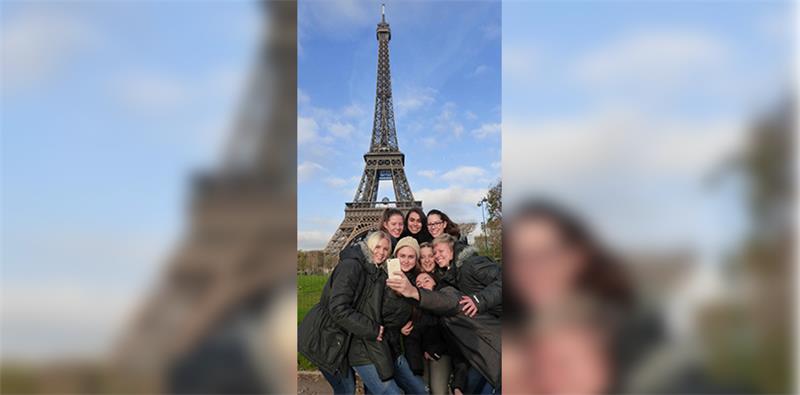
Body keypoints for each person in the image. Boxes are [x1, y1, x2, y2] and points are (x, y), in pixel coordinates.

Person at [388, 233, 502, 393]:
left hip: (492, 342)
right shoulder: (454, 276)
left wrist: (479, 300)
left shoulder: (465, 270)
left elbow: (451, 302)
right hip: (480, 350)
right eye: (435, 254)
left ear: (453, 249)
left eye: (440, 251)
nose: (436, 256)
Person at [298, 231, 401, 394]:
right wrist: (372, 329)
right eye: (378, 247)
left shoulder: (373, 271)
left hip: (342, 337)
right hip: (327, 336)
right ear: (369, 246)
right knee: (346, 388)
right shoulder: (352, 265)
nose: (381, 252)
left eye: (386, 249)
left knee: (346, 389)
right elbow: (338, 308)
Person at [381, 236, 428, 395]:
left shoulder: (418, 281)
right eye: (402, 256)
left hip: (395, 347)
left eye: (411, 256)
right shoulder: (381, 278)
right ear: (395, 256)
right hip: (377, 345)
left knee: (420, 390)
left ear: (416, 259)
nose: (406, 261)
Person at [403, 272, 451, 395]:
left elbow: (452, 334)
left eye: (426, 281)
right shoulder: (415, 307)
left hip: (441, 351)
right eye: (419, 284)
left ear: (435, 282)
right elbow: (412, 338)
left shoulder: (445, 300)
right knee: (422, 389)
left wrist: (435, 350)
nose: (423, 285)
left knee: (438, 391)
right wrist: (416, 366)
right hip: (420, 355)